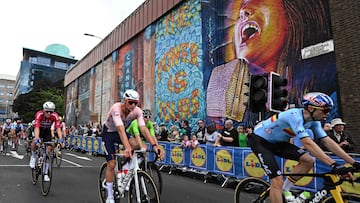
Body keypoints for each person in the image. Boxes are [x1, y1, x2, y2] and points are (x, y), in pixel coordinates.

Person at [247, 92, 360, 203]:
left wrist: (353, 162)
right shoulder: (294, 116)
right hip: (260, 141)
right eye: (325, 110)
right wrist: (333, 164)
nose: (328, 114)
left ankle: (285, 189)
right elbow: (308, 143)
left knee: (308, 161)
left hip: (278, 143)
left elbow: (328, 142)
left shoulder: (314, 122)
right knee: (277, 181)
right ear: (311, 108)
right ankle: (280, 187)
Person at [101, 89, 161, 203]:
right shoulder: (116, 108)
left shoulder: (138, 111)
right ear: (125, 101)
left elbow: (143, 128)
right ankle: (109, 195)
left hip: (121, 132)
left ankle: (126, 167)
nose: (133, 105)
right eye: (130, 102)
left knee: (138, 145)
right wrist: (127, 147)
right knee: (112, 164)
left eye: (135, 103)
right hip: (109, 133)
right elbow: (120, 129)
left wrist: (154, 145)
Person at [29, 101, 64, 182]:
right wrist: (37, 138)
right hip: (39, 130)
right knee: (35, 140)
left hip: (47, 131)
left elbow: (58, 128)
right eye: (47, 111)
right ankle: (33, 155)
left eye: (51, 112)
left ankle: (45, 173)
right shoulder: (39, 114)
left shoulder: (55, 116)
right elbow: (37, 127)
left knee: (48, 152)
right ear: (43, 110)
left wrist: (61, 139)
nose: (49, 113)